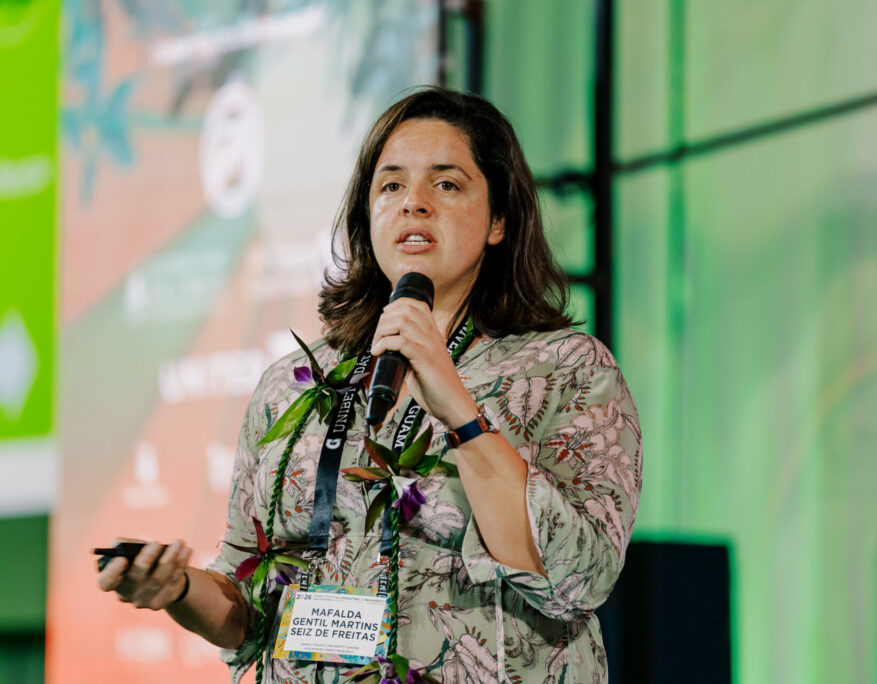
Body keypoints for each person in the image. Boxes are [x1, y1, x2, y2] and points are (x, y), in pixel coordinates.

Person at [99, 86, 642, 683]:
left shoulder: (566, 370)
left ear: (499, 221)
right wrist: (176, 587)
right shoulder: (295, 385)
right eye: (391, 186)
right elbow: (253, 613)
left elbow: (580, 579)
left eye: (447, 183)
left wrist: (454, 401)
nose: (414, 203)